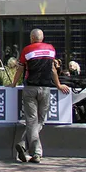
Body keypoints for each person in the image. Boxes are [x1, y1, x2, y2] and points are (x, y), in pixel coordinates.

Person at [11, 28, 71, 164]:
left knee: (32, 121)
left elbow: (20, 68)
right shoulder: (50, 50)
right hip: (45, 88)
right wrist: (59, 85)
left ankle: (24, 144)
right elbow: (52, 69)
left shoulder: (27, 50)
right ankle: (36, 153)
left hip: (30, 88)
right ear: (42, 38)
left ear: (32, 38)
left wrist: (14, 83)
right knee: (40, 121)